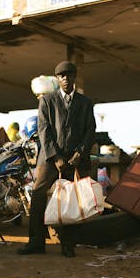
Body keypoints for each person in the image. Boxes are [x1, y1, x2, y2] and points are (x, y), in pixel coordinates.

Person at [17, 60, 96, 257]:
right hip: (50, 159)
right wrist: (55, 156)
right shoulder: (46, 101)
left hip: (74, 160)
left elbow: (90, 131)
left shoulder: (85, 103)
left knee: (69, 200)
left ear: (74, 77)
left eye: (69, 75)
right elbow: (44, 130)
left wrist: (80, 153)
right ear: (58, 79)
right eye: (62, 76)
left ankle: (67, 245)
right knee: (37, 195)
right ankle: (36, 243)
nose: (66, 79)